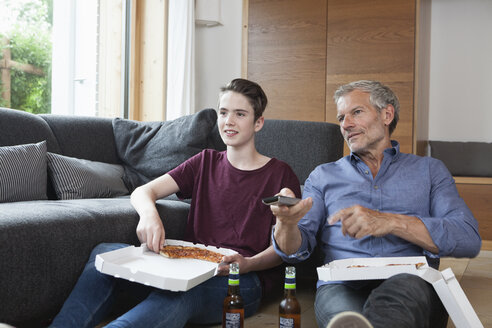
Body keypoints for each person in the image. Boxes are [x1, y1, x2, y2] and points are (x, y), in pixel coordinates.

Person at [50, 78, 301, 328]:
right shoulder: (205, 161)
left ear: (258, 123)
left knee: (180, 293)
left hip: (242, 280)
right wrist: (150, 216)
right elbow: (143, 191)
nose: (229, 121)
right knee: (104, 253)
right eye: (223, 112)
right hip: (188, 266)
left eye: (240, 114)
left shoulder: (280, 174)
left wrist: (248, 264)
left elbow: (284, 251)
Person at [269, 80, 482, 328]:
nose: (346, 124)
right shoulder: (322, 176)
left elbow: (468, 238)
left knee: (396, 300)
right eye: (341, 118)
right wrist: (286, 225)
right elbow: (294, 251)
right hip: (341, 287)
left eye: (356, 112)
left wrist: (390, 222)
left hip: (409, 283)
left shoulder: (430, 170)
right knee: (347, 319)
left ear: (387, 114)